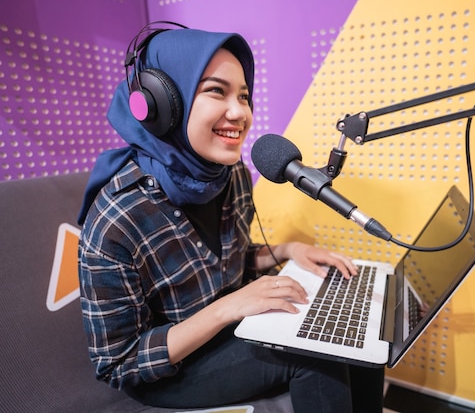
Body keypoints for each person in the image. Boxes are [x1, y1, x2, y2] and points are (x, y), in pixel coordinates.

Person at [77, 24, 385, 413]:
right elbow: (119, 364)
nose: (240, 112)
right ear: (162, 105)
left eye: (244, 95)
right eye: (215, 91)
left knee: (355, 339)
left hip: (230, 330)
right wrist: (228, 307)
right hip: (172, 373)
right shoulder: (116, 220)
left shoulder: (228, 172)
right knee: (315, 356)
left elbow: (222, 261)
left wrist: (288, 251)